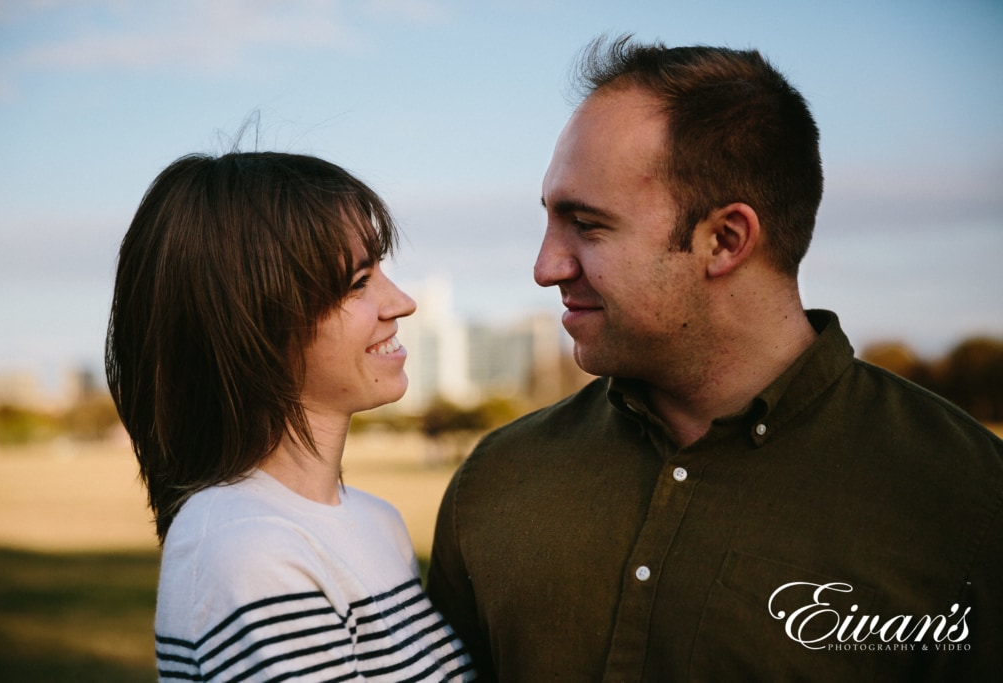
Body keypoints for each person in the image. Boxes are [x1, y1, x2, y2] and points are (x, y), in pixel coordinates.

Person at [426, 36, 1003, 682]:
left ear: (725, 239)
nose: (544, 267)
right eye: (550, 221)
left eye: (586, 225)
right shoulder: (495, 481)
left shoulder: (967, 501)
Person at [107, 151, 475, 682]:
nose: (402, 303)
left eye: (381, 272)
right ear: (256, 325)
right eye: (358, 282)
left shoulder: (377, 522)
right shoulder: (245, 547)